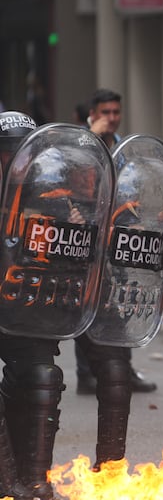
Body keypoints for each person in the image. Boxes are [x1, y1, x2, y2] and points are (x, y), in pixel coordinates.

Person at [77, 89, 158, 395]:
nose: (112, 118)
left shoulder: (123, 147)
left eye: (115, 112)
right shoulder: (84, 145)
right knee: (83, 305)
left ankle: (123, 369)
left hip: (118, 236)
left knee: (120, 302)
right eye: (105, 112)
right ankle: (87, 374)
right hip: (87, 235)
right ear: (93, 114)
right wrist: (93, 141)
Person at [0, 111, 54, 498]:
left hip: (23, 306)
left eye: (24, 152)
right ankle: (6, 483)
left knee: (42, 377)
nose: (17, 159)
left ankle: (36, 481)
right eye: (8, 151)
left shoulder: (52, 195)